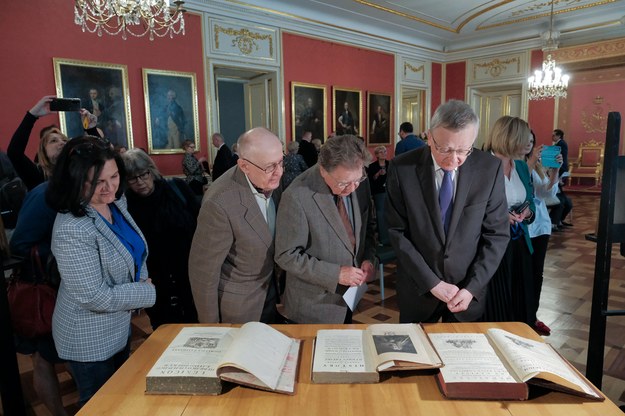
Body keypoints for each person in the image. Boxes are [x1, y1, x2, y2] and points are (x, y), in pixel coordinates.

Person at [47, 136, 156, 406]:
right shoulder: (72, 228)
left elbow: (133, 249)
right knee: (100, 405)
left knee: (121, 398)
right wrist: (145, 291)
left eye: (115, 176)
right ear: (75, 179)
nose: (110, 188)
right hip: (88, 337)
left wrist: (139, 279)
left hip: (117, 326)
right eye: (98, 182)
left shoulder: (115, 203)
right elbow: (95, 296)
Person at [385, 100, 509, 323]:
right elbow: (397, 232)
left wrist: (471, 288)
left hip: (467, 293)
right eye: (445, 149)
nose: (453, 160)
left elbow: (496, 235)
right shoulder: (401, 168)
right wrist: (432, 283)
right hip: (418, 290)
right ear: (430, 137)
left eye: (463, 150)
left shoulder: (489, 168)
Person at [275, 134, 377, 324]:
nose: (352, 189)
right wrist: (336, 274)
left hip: (349, 298)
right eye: (343, 183)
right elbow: (286, 255)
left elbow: (367, 228)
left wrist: (368, 258)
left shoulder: (357, 180)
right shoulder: (297, 196)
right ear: (323, 170)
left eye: (357, 180)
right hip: (314, 306)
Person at [189, 127, 284, 324]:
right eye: (270, 167)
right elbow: (203, 273)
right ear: (244, 166)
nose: (279, 172)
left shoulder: (270, 178)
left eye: (281, 162)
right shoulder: (220, 202)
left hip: (271, 294)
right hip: (239, 308)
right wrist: (211, 327)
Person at [122, 149, 199, 329]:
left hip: (189, 272)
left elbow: (200, 223)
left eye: (143, 174)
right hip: (155, 279)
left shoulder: (176, 188)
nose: (140, 182)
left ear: (151, 170)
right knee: (163, 328)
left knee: (196, 324)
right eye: (133, 178)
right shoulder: (126, 206)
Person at [482, 116, 536, 325]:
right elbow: (471, 208)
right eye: (524, 138)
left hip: (519, 243)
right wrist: (501, 216)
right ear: (510, 138)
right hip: (492, 245)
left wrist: (527, 214)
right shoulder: (482, 164)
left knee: (520, 299)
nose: (528, 143)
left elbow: (530, 199)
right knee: (498, 303)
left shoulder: (521, 167)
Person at [526, 132, 561, 335]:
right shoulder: (509, 163)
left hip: (540, 226)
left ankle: (532, 316)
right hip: (519, 228)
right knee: (521, 273)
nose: (529, 145)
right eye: (526, 141)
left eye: (532, 141)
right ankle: (518, 315)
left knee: (537, 274)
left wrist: (554, 171)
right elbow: (520, 188)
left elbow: (546, 194)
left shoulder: (537, 167)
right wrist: (530, 161)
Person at [7, 96, 68, 190]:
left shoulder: (78, 171)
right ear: (43, 151)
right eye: (53, 141)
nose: (62, 143)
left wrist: (91, 129)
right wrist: (32, 115)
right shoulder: (39, 175)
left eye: (64, 140)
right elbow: (14, 153)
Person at [551, 128, 573, 228]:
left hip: (560, 169)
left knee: (565, 201)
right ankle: (556, 222)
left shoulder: (560, 144)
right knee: (562, 200)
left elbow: (559, 158)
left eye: (554, 135)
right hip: (556, 172)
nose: (552, 137)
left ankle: (558, 221)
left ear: (559, 136)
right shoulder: (560, 144)